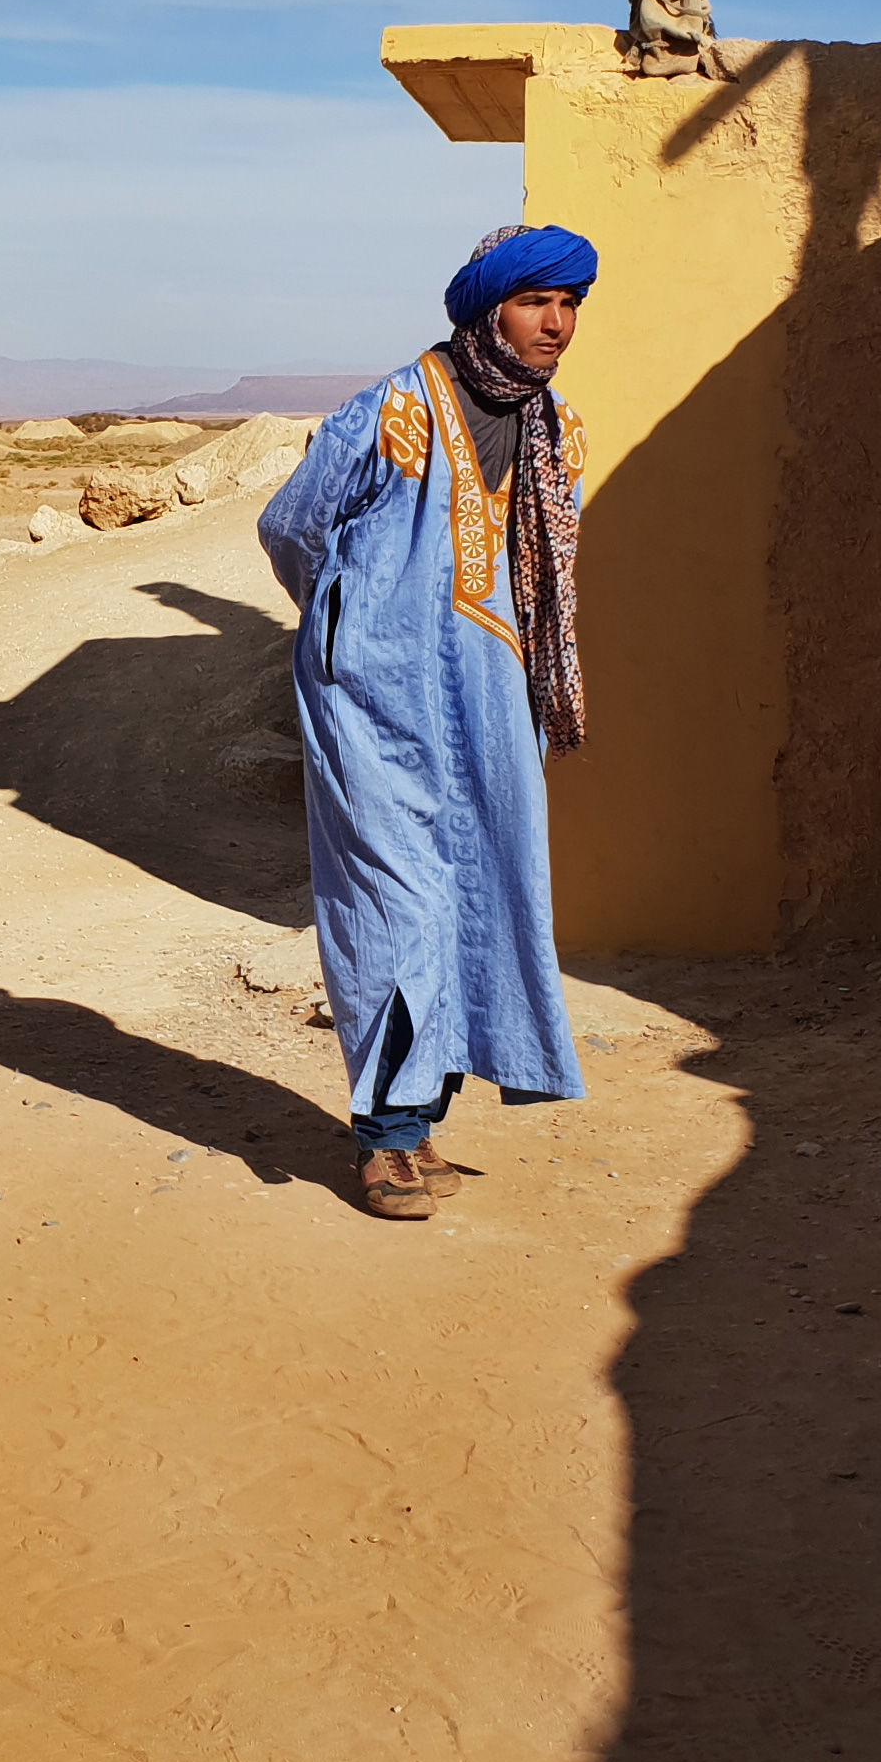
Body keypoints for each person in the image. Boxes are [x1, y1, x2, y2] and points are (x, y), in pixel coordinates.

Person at [258, 224, 593, 1218]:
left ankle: (422, 1115)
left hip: (493, 699)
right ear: (491, 308)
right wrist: (348, 626)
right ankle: (387, 1139)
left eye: (569, 306)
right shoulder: (396, 408)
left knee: (478, 896)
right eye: (539, 303)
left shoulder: (555, 427)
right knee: (393, 904)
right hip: (373, 700)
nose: (558, 324)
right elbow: (292, 526)